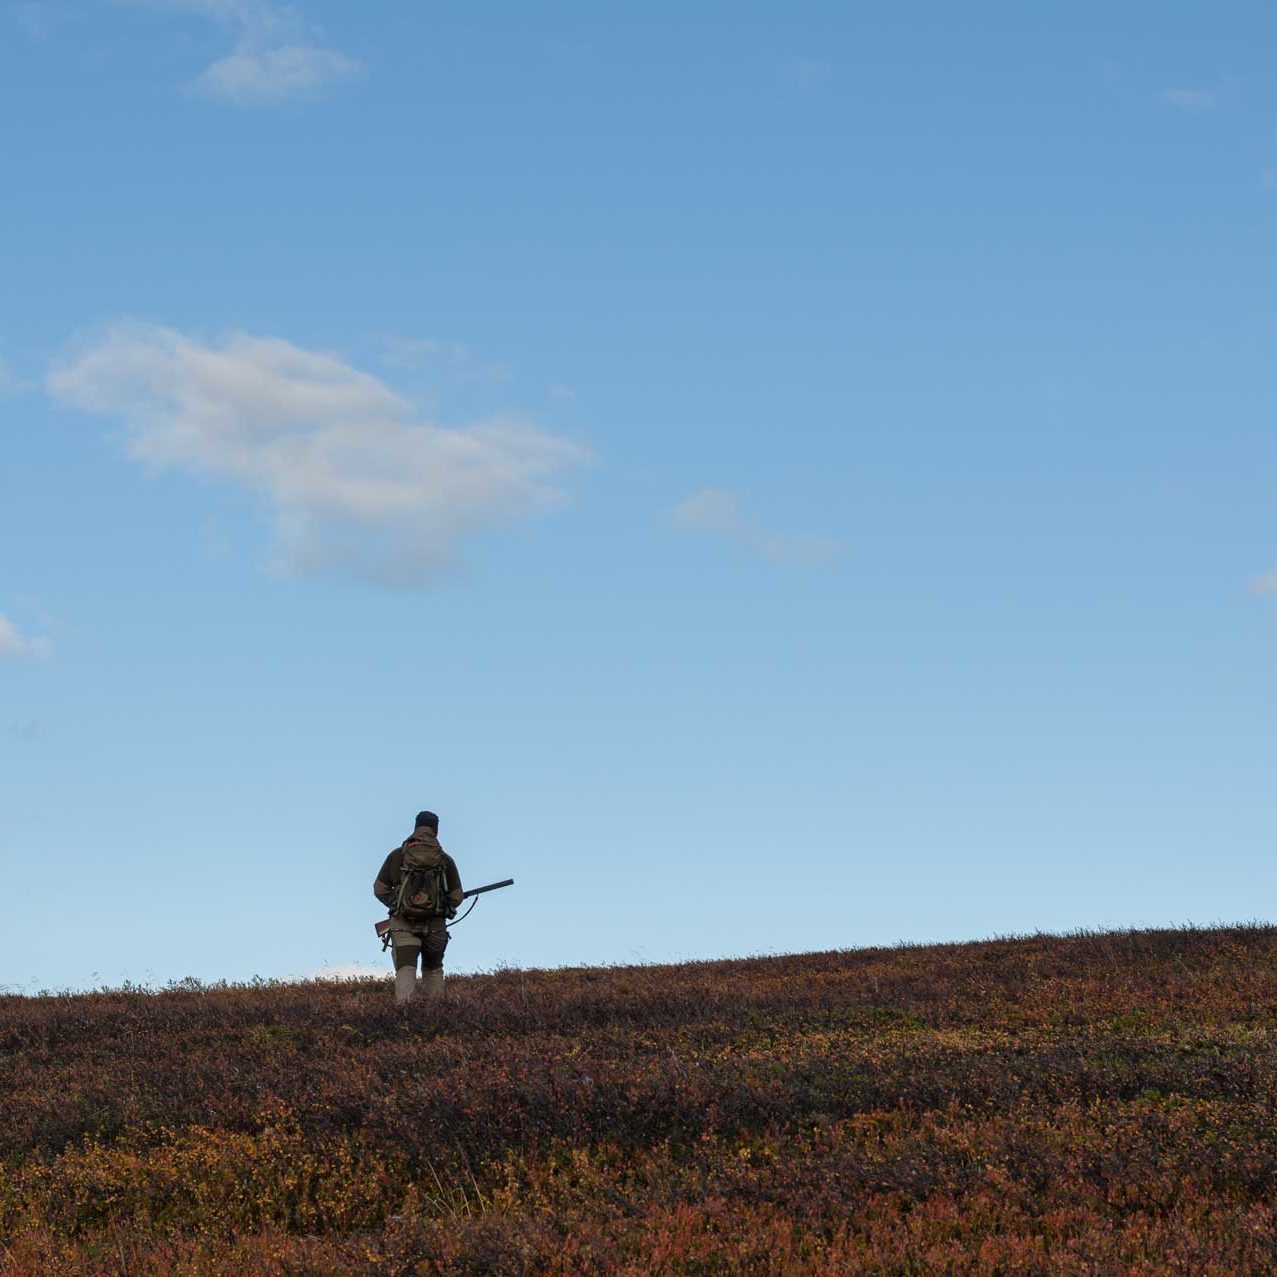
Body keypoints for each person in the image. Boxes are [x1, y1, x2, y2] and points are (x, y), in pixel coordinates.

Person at [374, 810, 464, 1004]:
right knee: (433, 969)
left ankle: (406, 1016)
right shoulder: (445, 860)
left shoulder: (397, 856)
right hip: (435, 927)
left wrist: (397, 904)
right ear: (436, 831)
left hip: (403, 924)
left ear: (415, 827)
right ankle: (434, 1015)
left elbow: (379, 889)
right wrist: (443, 906)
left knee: (406, 969)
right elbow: (456, 896)